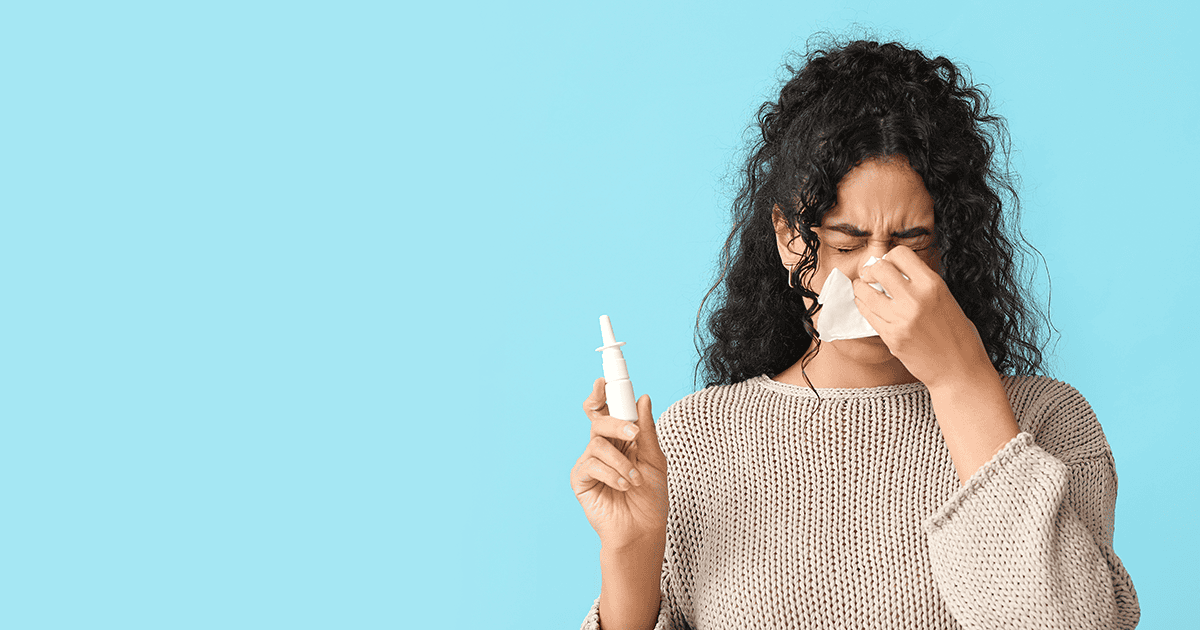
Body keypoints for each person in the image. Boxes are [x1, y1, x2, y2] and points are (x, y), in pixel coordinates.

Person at [570, 38, 1140, 630]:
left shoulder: (1048, 423)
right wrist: (631, 556)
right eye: (845, 245)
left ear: (951, 247)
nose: (878, 275)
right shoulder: (697, 441)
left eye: (913, 244)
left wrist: (961, 379)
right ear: (792, 238)